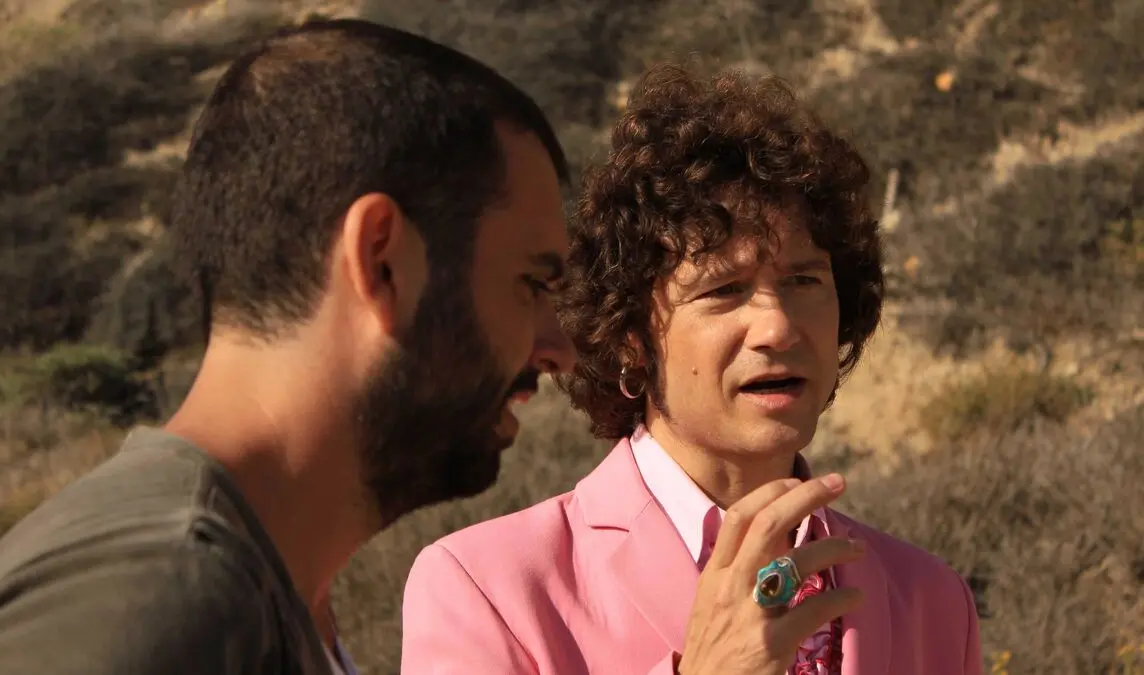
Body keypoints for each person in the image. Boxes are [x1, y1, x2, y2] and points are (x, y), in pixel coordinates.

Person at [0, 17, 576, 675]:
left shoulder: (245, 590)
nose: (559, 350)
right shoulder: (169, 602)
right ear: (381, 259)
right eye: (530, 283)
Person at [400, 63, 983, 675]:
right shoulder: (486, 591)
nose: (778, 326)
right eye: (723, 290)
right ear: (631, 336)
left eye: (805, 281)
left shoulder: (932, 600)